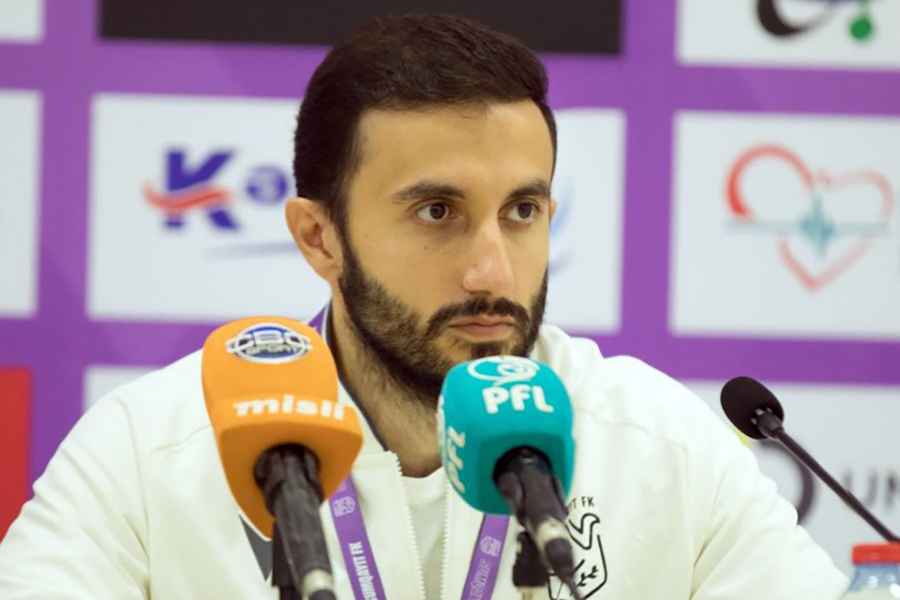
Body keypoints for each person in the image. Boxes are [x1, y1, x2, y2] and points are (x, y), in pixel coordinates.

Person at [0, 13, 847, 600]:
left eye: (522, 211)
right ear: (319, 238)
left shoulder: (662, 445)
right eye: (437, 211)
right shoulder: (148, 452)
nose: (491, 270)